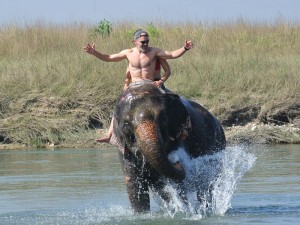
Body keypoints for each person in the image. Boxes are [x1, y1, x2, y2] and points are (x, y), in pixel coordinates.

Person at [84, 29, 192, 143]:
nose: (145, 44)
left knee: (171, 101)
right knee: (120, 104)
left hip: (150, 84)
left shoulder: (154, 51)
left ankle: (176, 131)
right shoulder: (128, 53)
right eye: (142, 42)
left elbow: (172, 54)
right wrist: (94, 53)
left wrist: (184, 48)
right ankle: (110, 134)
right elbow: (109, 57)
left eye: (147, 41)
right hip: (134, 86)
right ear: (134, 41)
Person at [96, 57, 171, 143]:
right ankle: (110, 134)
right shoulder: (134, 58)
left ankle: (180, 129)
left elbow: (168, 71)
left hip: (155, 85)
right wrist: (126, 87)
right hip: (137, 87)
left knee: (173, 100)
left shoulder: (157, 55)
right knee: (120, 105)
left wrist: (160, 81)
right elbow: (128, 76)